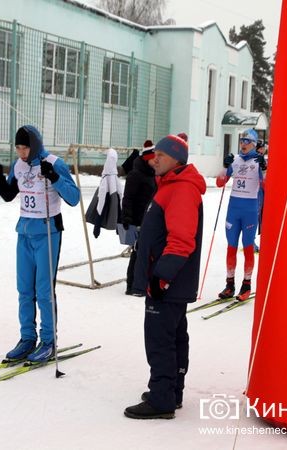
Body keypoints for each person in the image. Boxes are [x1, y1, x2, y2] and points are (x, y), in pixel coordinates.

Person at [124, 134, 206, 420]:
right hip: (171, 282)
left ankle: (162, 399)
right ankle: (171, 391)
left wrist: (161, 278)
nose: (154, 158)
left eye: (160, 154)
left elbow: (182, 240)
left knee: (160, 340)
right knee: (173, 336)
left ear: (176, 160)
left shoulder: (181, 189)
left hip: (167, 283)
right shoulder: (171, 185)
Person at [0, 125, 80, 363]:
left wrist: (55, 177)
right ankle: (27, 338)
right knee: (24, 289)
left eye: (25, 147)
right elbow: (9, 194)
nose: (21, 152)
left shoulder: (54, 162)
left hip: (48, 232)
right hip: (25, 232)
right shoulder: (19, 165)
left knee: (44, 290)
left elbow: (73, 197)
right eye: (17, 148)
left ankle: (48, 340)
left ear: (35, 145)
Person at [216, 128, 266, 301]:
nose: (243, 144)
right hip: (233, 210)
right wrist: (225, 167)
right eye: (242, 141)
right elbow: (219, 183)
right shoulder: (235, 160)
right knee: (231, 246)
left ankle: (246, 285)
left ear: (253, 144)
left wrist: (265, 169)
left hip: (250, 211)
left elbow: (267, 186)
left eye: (247, 141)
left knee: (247, 247)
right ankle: (230, 285)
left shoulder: (258, 162)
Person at [121, 140, 157, 296]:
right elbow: (127, 198)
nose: (156, 161)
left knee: (146, 252)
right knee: (137, 253)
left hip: (149, 218)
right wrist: (127, 218)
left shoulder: (153, 173)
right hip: (137, 220)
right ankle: (132, 286)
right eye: (154, 158)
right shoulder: (136, 174)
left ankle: (143, 282)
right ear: (146, 158)